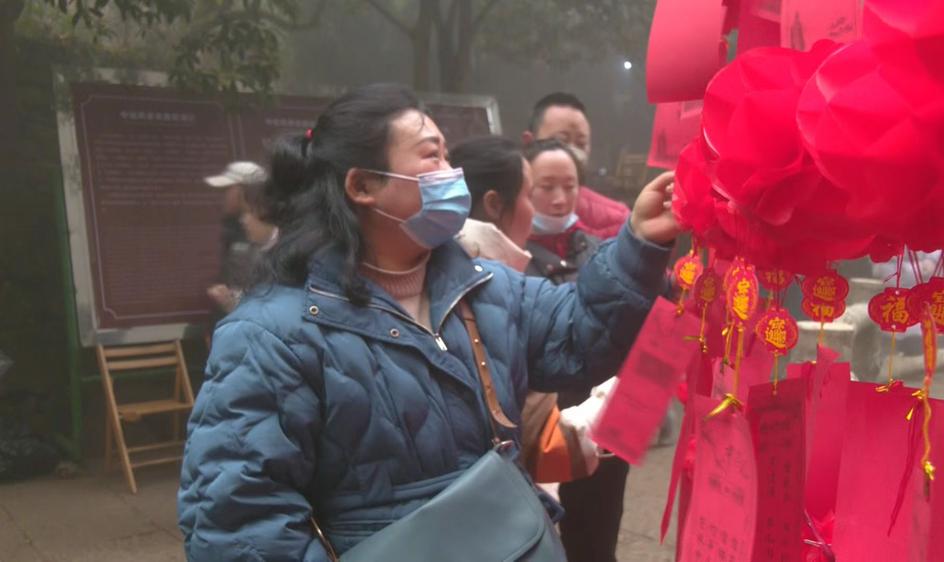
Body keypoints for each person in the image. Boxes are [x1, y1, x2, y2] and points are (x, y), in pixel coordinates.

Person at [177, 83, 684, 561]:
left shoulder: (487, 289)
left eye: (447, 154)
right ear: (363, 186)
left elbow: (580, 333)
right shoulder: (271, 334)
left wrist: (639, 242)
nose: (451, 173)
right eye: (431, 156)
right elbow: (238, 521)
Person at [450, 135, 603, 487]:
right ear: (494, 203)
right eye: (534, 192)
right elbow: (538, 442)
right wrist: (621, 398)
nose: (556, 200)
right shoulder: (491, 292)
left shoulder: (443, 272)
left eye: (570, 185)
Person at [523, 138, 641, 562]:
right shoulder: (509, 256)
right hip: (541, 427)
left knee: (598, 535)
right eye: (546, 187)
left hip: (604, 425)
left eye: (569, 186)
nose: (559, 198)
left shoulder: (601, 252)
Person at [523, 92, 630, 240]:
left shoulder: (618, 221)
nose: (572, 152)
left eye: (581, 143)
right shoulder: (502, 219)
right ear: (529, 142)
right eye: (560, 141)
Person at [203, 162, 275, 313]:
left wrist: (232, 304)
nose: (221, 196)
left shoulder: (271, 232)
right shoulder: (232, 228)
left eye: (226, 190)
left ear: (243, 191)